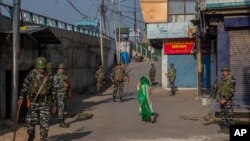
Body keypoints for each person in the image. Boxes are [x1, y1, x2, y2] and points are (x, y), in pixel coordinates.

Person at [18, 57, 59, 141]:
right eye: (40, 68)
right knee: (30, 121)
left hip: (45, 102)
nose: (42, 70)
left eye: (43, 68)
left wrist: (54, 103)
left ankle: (43, 139)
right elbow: (24, 86)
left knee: (44, 124)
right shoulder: (31, 74)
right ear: (36, 67)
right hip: (33, 102)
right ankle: (31, 134)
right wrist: (21, 97)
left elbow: (53, 90)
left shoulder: (49, 76)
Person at [216, 66, 236, 134]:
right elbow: (220, 89)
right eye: (223, 71)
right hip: (222, 99)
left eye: (225, 71)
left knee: (229, 115)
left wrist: (225, 99)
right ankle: (225, 128)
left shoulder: (232, 79)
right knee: (223, 115)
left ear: (228, 71)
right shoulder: (223, 79)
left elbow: (232, 91)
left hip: (228, 100)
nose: (223, 73)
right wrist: (219, 98)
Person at [52, 63, 72, 128]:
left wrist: (69, 92)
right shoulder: (56, 76)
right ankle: (61, 122)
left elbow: (68, 85)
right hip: (59, 94)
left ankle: (62, 121)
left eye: (63, 69)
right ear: (58, 69)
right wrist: (63, 85)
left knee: (64, 108)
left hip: (64, 94)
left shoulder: (64, 76)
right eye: (61, 69)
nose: (62, 70)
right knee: (61, 108)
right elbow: (55, 86)